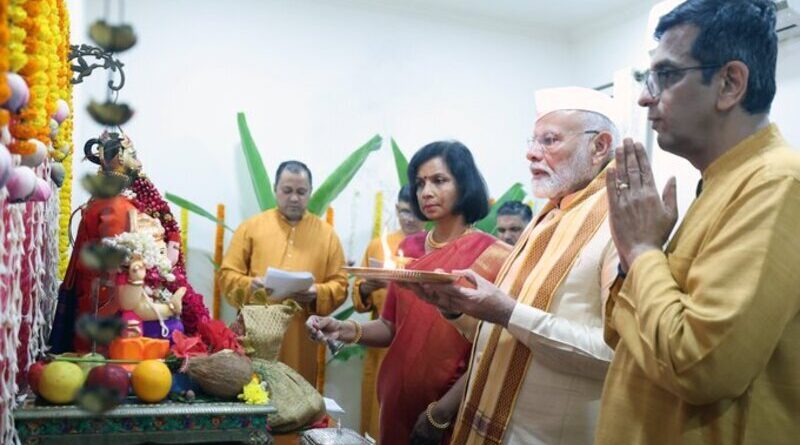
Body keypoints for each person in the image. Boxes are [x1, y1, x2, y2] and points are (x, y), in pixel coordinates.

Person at [597, 1, 800, 444]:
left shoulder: (778, 183)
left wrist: (644, 251)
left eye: (666, 76)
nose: (646, 96)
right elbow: (625, 336)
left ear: (729, 83)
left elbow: (700, 367)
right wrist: (637, 260)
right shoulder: (724, 180)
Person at [413, 87, 621, 444]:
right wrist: (455, 309)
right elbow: (503, 332)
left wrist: (508, 312)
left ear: (599, 146)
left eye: (550, 141)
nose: (531, 153)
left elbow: (617, 356)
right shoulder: (553, 212)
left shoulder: (620, 220)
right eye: (533, 141)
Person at [307, 141, 511, 445]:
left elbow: (494, 352)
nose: (426, 192)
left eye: (439, 181)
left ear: (464, 184)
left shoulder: (495, 256)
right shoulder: (408, 250)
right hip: (394, 401)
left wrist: (440, 413)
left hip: (450, 408)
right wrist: (343, 329)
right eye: (420, 183)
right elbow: (391, 327)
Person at [219, 160, 348, 386]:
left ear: (310, 192)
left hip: (301, 337)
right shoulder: (251, 228)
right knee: (254, 391)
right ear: (275, 189)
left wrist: (317, 292)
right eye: (287, 191)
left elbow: (340, 284)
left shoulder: (327, 235)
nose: (294, 198)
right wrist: (252, 285)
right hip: (256, 334)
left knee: (297, 397)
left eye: (301, 191)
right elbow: (227, 276)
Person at [352, 184, 425, 438]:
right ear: (396, 209)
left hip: (419, 350)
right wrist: (366, 288)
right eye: (403, 211)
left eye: (414, 212)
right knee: (376, 418)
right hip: (380, 346)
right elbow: (359, 298)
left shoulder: (433, 246)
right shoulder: (378, 246)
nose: (408, 218)